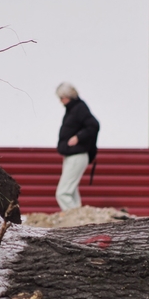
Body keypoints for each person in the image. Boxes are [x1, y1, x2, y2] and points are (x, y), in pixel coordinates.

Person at [55, 82, 99, 211]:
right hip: (71, 155)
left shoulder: (79, 108)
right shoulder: (72, 109)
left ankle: (77, 220)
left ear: (68, 96)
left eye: (61, 98)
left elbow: (94, 125)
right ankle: (79, 218)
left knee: (62, 193)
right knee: (71, 191)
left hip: (77, 155)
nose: (60, 101)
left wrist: (78, 137)